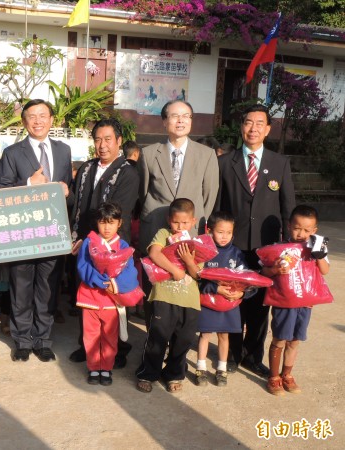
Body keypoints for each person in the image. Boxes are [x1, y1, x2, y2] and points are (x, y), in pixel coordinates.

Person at [216, 104, 296, 376]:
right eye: (248, 123)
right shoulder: (226, 162)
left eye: (259, 123)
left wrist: (290, 247)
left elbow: (288, 209)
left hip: (267, 249)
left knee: (261, 306)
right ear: (242, 127)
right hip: (234, 246)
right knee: (234, 301)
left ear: (268, 129)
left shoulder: (279, 163)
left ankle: (253, 356)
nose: (253, 128)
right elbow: (218, 206)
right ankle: (232, 354)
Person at [0, 99, 73, 362]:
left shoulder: (64, 151)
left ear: (52, 120)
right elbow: (4, 190)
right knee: (21, 288)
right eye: (32, 116)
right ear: (24, 121)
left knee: (48, 288)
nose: (38, 121)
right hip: (23, 233)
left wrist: (67, 190)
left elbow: (70, 190)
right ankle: (22, 340)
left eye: (43, 115)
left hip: (53, 232)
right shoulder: (12, 153)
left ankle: (43, 339)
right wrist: (30, 182)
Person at [69, 118, 139, 366]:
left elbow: (116, 212)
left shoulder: (129, 172)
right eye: (98, 139)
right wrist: (77, 237)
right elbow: (77, 206)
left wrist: (93, 241)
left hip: (114, 247)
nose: (102, 145)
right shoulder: (87, 168)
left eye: (108, 139)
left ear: (119, 141)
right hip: (85, 245)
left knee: (114, 298)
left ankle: (118, 348)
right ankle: (87, 345)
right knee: (87, 296)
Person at [260, 205, 329, 395]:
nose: (302, 233)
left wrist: (319, 256)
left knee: (295, 341)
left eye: (307, 230)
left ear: (314, 230)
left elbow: (324, 270)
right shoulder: (279, 248)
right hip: (284, 302)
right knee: (280, 339)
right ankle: (274, 377)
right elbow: (264, 271)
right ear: (289, 226)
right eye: (297, 228)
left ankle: (287, 375)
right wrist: (275, 270)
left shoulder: (317, 247)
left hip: (305, 303)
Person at [135, 198, 202, 394]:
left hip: (189, 300)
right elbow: (155, 254)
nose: (180, 227)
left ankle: (174, 374)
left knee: (184, 339)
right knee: (158, 337)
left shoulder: (197, 242)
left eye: (185, 223)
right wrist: (176, 270)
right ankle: (147, 373)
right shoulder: (163, 234)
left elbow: (199, 274)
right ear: (168, 219)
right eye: (175, 222)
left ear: (193, 221)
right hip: (164, 295)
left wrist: (189, 261)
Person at [138, 100, 219, 255]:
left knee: (188, 277)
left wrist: (195, 217)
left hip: (191, 230)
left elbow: (209, 194)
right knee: (155, 276)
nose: (181, 120)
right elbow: (143, 192)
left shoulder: (206, 154)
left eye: (186, 116)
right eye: (175, 116)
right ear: (164, 121)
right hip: (155, 226)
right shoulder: (149, 153)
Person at [76, 202, 139, 386]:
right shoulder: (89, 242)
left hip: (112, 299)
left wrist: (116, 285)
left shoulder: (123, 244)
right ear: (97, 223)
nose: (106, 227)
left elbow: (130, 270)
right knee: (91, 335)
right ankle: (94, 368)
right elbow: (83, 266)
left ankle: (107, 368)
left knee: (110, 336)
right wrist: (101, 281)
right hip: (90, 297)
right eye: (103, 223)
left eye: (111, 223)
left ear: (119, 223)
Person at [195, 211, 253, 388]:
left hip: (229, 303)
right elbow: (197, 280)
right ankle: (200, 367)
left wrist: (242, 294)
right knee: (205, 334)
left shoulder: (236, 253)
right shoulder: (204, 252)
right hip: (208, 302)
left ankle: (221, 368)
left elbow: (249, 280)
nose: (224, 236)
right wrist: (215, 288)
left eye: (229, 232)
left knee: (224, 335)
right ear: (209, 230)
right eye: (220, 232)